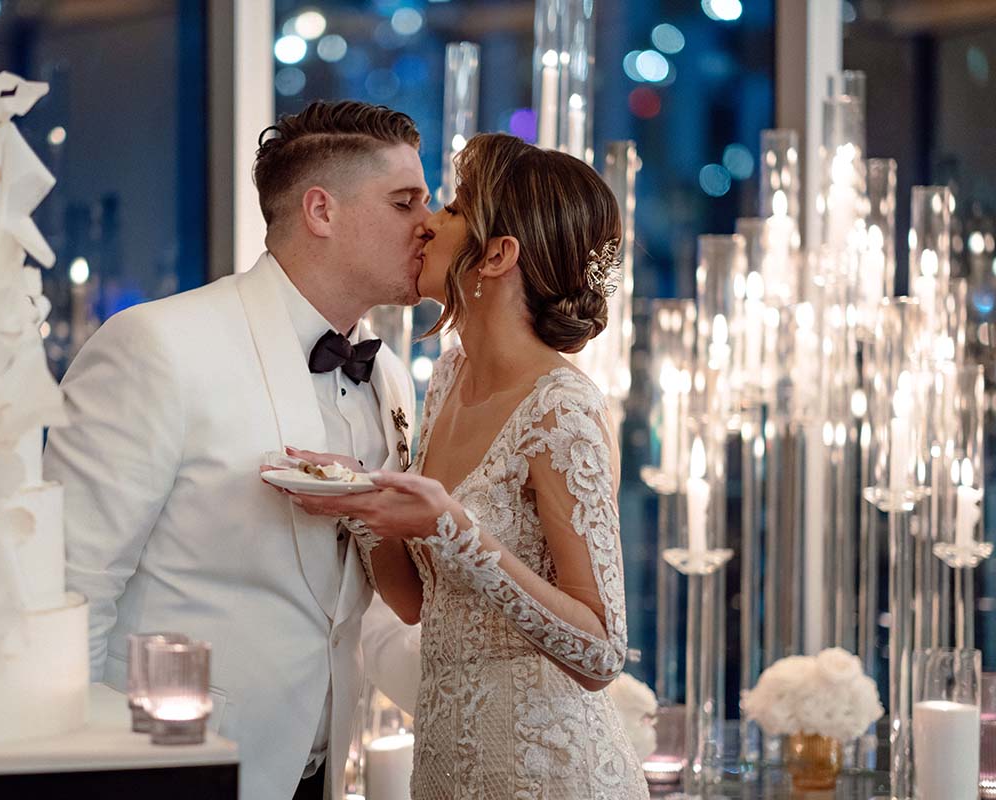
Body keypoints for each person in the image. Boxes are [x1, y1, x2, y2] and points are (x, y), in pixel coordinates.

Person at [43, 100, 430, 800]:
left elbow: (359, 606)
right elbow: (72, 589)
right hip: (176, 766)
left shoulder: (391, 380)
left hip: (322, 770)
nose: (427, 224)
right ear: (321, 210)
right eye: (405, 202)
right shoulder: (157, 346)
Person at [288, 132, 650, 798]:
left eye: (453, 208)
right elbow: (415, 603)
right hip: (447, 770)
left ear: (498, 254)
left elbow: (601, 652)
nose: (427, 222)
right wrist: (361, 502)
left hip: (549, 778)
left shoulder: (562, 410)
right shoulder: (449, 377)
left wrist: (455, 530)